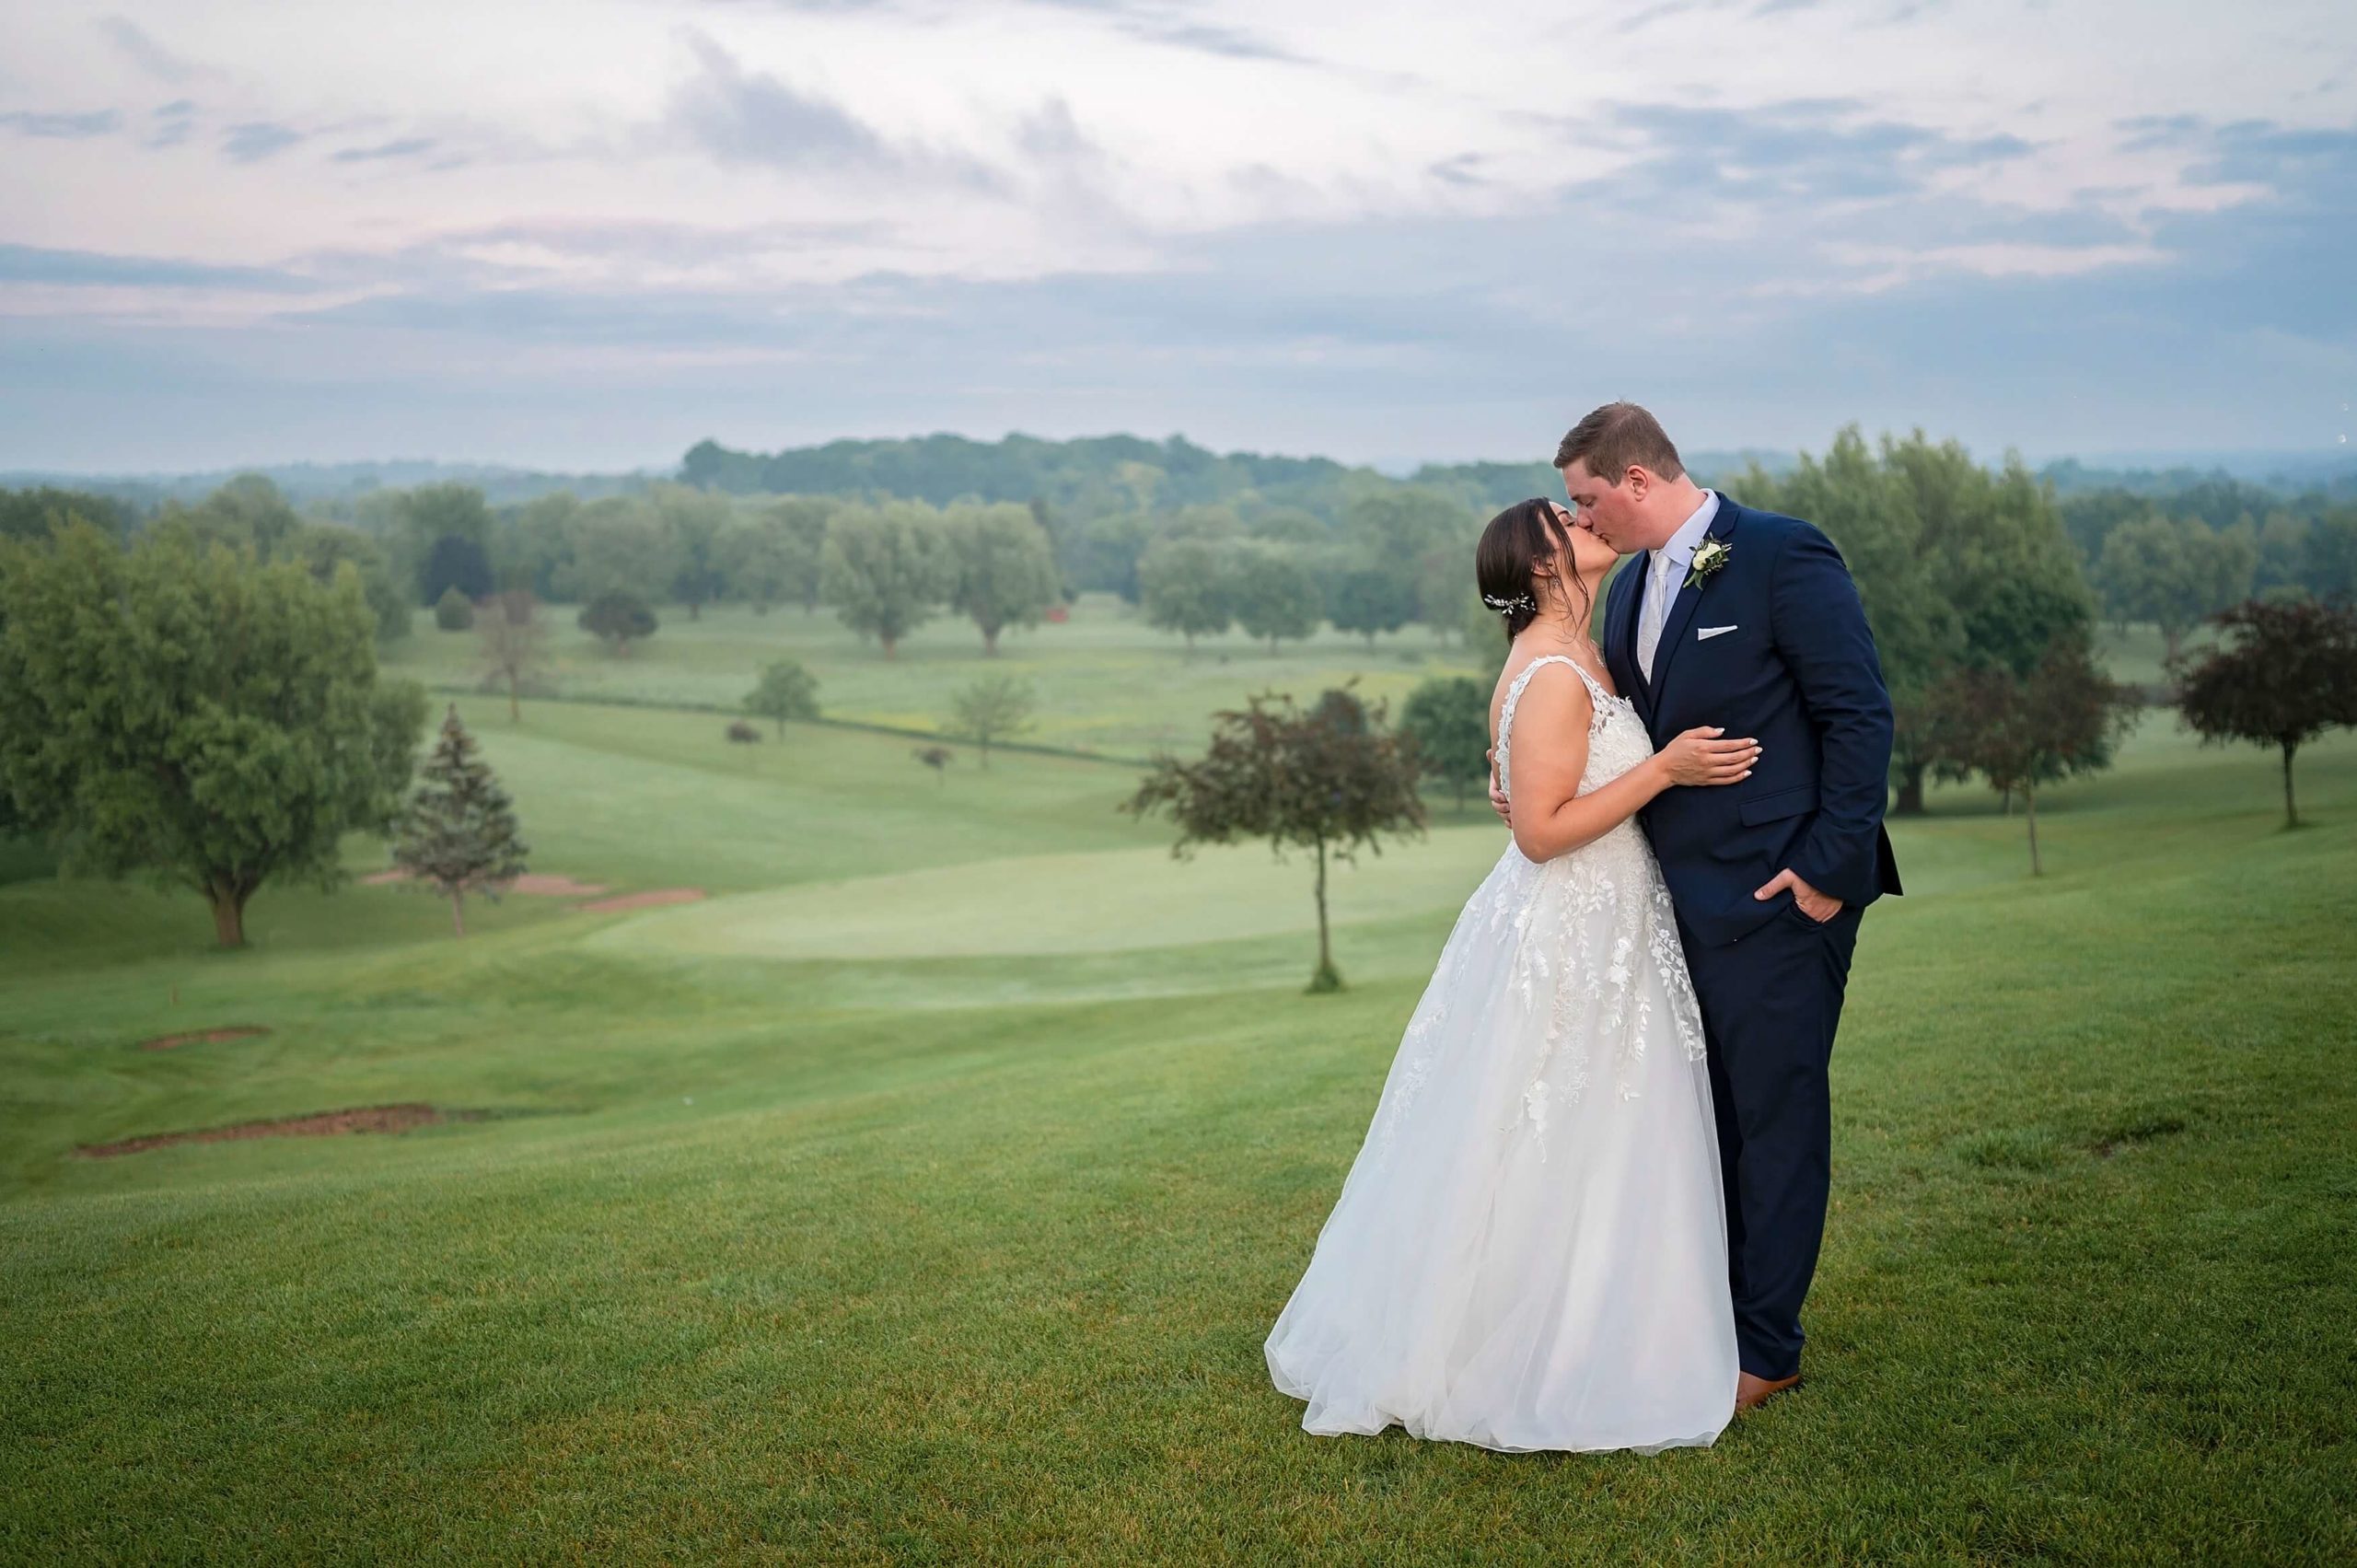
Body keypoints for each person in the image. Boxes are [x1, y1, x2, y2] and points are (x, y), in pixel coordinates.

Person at [1264, 496, 1760, 1452]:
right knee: (1559, 1121)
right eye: (1568, 526)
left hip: (1608, 915)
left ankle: (1608, 1323)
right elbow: (1538, 834)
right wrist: (1663, 770)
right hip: (1570, 923)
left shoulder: (1583, 649)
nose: (1591, 523)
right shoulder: (1550, 673)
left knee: (1594, 1126)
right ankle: (1529, 1348)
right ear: (1541, 568)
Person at [1517, 401, 1902, 1411]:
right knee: (1704, 1119)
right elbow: (1626, 731)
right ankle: (1707, 1314)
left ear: (1638, 482)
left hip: (1780, 896)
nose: (1580, 518)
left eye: (1588, 498)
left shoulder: (1780, 553)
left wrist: (1828, 870)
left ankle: (1766, 1349)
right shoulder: (1636, 579)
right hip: (1667, 903)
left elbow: (1857, 711)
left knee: (1773, 1119)